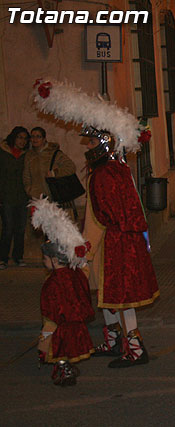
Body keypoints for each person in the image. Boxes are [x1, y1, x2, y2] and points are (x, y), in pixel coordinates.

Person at [32, 78, 160, 369]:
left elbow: (100, 217)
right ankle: (115, 341)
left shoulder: (104, 174)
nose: (87, 146)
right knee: (106, 296)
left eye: (91, 141)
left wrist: (84, 249)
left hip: (114, 244)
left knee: (121, 299)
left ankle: (136, 349)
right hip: (114, 243)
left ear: (104, 143)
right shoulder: (113, 170)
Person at [30, 197, 94, 387]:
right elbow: (84, 279)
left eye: (45, 259)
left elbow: (50, 309)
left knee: (60, 350)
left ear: (54, 259)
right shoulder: (76, 274)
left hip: (61, 326)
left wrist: (46, 335)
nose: (44, 262)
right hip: (77, 323)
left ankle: (63, 369)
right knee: (71, 347)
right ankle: (67, 367)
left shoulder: (53, 283)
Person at [0, 126, 30, 269]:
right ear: (13, 137)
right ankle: (3, 258)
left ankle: (18, 256)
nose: (22, 141)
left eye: (25, 138)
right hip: (6, 196)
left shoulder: (27, 155)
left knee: (20, 229)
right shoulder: (3, 152)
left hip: (23, 197)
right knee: (7, 228)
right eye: (19, 137)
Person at [23, 127, 76, 200]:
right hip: (37, 198)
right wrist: (29, 191)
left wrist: (55, 173)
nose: (35, 139)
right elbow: (26, 176)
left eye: (38, 136)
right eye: (32, 136)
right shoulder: (29, 156)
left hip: (55, 196)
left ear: (44, 139)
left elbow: (71, 167)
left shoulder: (54, 153)